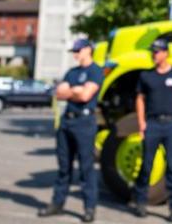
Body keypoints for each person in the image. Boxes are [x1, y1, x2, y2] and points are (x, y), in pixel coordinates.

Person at [39, 38, 103, 222]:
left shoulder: (95, 71)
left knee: (86, 168)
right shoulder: (72, 72)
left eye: (78, 50)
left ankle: (89, 208)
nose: (75, 54)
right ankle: (57, 204)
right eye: (74, 51)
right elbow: (59, 93)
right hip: (67, 122)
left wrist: (74, 91)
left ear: (88, 50)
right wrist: (75, 91)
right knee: (63, 167)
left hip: (84, 122)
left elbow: (86, 95)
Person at [133, 38, 172, 222]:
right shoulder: (146, 76)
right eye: (153, 51)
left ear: (166, 53)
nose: (154, 54)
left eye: (157, 51)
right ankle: (140, 201)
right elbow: (140, 99)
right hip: (152, 124)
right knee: (146, 166)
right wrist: (142, 123)